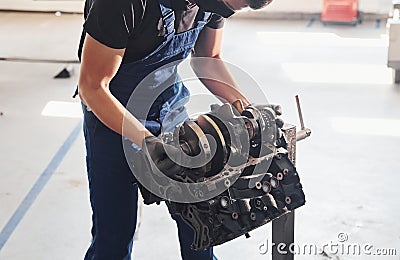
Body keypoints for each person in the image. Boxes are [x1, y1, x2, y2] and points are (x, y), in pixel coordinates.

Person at [76, 0, 273, 259]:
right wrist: (148, 142)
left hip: (170, 111)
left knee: (202, 224)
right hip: (112, 119)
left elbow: (209, 59)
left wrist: (247, 109)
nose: (224, 12)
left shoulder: (213, 4)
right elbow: (92, 86)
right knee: (114, 234)